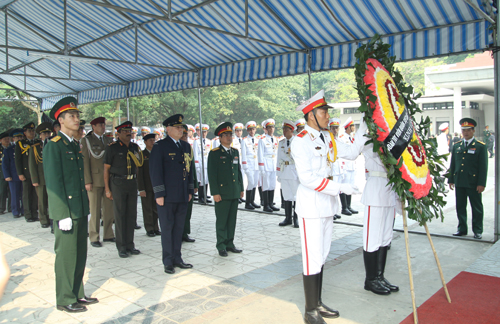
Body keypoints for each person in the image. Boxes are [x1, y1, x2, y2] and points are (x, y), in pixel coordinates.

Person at [291, 90, 361, 323]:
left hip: (326, 206)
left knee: (321, 256)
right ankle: (310, 310)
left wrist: (366, 129)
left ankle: (317, 303)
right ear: (311, 115)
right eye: (323, 111)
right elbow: (307, 179)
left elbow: (350, 152)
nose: (327, 114)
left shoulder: (326, 138)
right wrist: (340, 188)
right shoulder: (300, 141)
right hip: (311, 206)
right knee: (312, 257)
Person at [44, 96, 98, 313]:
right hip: (66, 211)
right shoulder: (54, 146)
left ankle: (77, 293)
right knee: (66, 256)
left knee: (79, 253)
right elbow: (54, 183)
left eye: (77, 115)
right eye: (72, 116)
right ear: (61, 120)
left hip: (79, 209)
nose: (77, 119)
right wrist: (61, 214)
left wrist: (84, 208)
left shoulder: (74, 144)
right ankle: (65, 298)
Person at [149, 114, 194, 274]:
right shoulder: (160, 146)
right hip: (167, 196)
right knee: (167, 228)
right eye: (177, 127)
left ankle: (177, 258)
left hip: (182, 195)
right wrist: (159, 194)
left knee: (178, 228)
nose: (181, 130)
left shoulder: (185, 146)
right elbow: (155, 171)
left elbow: (189, 170)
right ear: (168, 129)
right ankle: (168, 260)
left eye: (182, 127)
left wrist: (190, 190)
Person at [104, 121, 143, 258]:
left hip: (131, 182)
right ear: (118, 133)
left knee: (131, 214)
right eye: (125, 131)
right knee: (120, 215)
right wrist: (107, 189)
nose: (128, 133)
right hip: (118, 183)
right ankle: (121, 247)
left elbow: (138, 166)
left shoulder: (134, 147)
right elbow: (106, 169)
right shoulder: (112, 148)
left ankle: (130, 245)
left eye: (130, 131)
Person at [208, 122, 244, 257]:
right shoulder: (215, 153)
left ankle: (230, 243)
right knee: (222, 220)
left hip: (234, 191)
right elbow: (212, 175)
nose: (229, 137)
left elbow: (238, 171)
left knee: (232, 220)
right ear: (220, 137)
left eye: (231, 135)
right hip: (222, 193)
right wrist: (215, 193)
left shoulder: (235, 152)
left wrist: (241, 188)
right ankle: (221, 245)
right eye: (226, 135)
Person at [449, 118, 488, 239]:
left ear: (473, 131)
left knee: (476, 207)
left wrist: (481, 183)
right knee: (460, 206)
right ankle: (462, 229)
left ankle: (477, 230)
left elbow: (483, 167)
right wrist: (451, 179)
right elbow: (453, 164)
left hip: (473, 183)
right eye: (463, 130)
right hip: (460, 181)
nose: (465, 133)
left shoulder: (480, 147)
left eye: (468, 130)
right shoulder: (457, 146)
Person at [82, 117, 115, 248]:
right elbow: (85, 162)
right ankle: (94, 236)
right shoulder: (87, 141)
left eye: (103, 124)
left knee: (108, 210)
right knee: (95, 210)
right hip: (94, 180)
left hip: (108, 180)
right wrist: (87, 180)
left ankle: (108, 234)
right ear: (93, 127)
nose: (103, 127)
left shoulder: (108, 140)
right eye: (100, 125)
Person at [15, 122, 40, 222]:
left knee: (35, 195)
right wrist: (20, 173)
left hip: (36, 173)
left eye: (33, 131)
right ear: (25, 132)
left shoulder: (37, 142)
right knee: (27, 194)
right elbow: (18, 160)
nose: (32, 132)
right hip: (26, 173)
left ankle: (34, 213)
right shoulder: (20, 143)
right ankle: (28, 215)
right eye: (30, 131)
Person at [29, 122, 52, 229]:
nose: (47, 135)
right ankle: (43, 219)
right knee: (42, 200)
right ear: (40, 135)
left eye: (48, 132)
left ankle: (52, 218)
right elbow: (32, 165)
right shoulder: (35, 147)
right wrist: (34, 179)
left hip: (51, 178)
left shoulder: (53, 144)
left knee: (52, 199)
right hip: (41, 178)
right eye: (44, 133)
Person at [137, 133, 161, 237]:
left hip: (156, 186)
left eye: (154, 140)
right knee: (147, 208)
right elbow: (139, 173)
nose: (153, 142)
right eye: (150, 140)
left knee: (156, 208)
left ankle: (156, 227)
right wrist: (141, 188)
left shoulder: (157, 153)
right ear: (145, 142)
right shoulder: (141, 155)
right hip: (146, 186)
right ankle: (149, 228)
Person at [277, 120, 299, 227]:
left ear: (291, 130)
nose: (284, 132)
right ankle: (288, 218)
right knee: (286, 195)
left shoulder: (297, 142)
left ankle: (296, 219)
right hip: (284, 171)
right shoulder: (281, 143)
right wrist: (278, 174)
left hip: (294, 172)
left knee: (296, 196)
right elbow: (278, 158)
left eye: (286, 130)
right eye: (283, 130)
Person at [258, 119, 280, 212]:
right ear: (266, 129)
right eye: (269, 127)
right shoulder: (262, 140)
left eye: (272, 127)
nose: (271, 129)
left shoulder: (275, 139)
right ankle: (266, 205)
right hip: (266, 165)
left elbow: (277, 153)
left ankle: (271, 203)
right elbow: (260, 154)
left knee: (272, 185)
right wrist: (261, 168)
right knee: (266, 185)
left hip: (273, 164)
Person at [180, 127, 197, 243]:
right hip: (177, 185)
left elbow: (192, 168)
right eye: (183, 135)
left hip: (187, 185)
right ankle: (178, 234)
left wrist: (194, 184)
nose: (185, 138)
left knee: (188, 209)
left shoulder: (188, 148)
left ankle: (185, 232)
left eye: (186, 135)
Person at [338, 117, 358, 216]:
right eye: (352, 126)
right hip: (345, 166)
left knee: (350, 186)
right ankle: (344, 207)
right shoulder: (342, 138)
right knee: (344, 187)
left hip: (351, 166)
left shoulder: (351, 138)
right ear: (348, 127)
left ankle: (349, 206)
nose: (354, 127)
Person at [3, 129, 24, 218]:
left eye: (20, 137)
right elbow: (5, 164)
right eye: (17, 137)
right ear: (13, 139)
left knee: (24, 194)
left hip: (24, 175)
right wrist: (7, 175)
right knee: (14, 194)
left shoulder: (25, 147)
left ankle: (24, 210)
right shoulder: (9, 150)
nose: (19, 139)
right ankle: (15, 211)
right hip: (13, 175)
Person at [241, 121, 260, 210]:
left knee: (255, 183)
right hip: (249, 164)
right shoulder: (244, 140)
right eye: (250, 129)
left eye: (253, 129)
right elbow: (243, 154)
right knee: (251, 182)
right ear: (247, 130)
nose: (252, 131)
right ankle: (247, 203)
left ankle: (252, 201)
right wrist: (245, 166)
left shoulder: (257, 140)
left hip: (256, 164)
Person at [193, 124, 212, 204]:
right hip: (200, 162)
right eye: (202, 132)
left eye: (205, 132)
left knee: (206, 180)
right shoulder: (196, 141)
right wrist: (196, 164)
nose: (204, 133)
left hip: (207, 162)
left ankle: (204, 196)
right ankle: (200, 197)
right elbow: (195, 153)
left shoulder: (209, 141)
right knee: (201, 180)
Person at [329, 118, 342, 220]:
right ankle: (330, 212)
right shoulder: (328, 140)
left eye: (336, 128)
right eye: (333, 128)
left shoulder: (339, 140)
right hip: (330, 168)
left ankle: (335, 211)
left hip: (337, 168)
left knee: (336, 191)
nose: (335, 130)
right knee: (330, 192)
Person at [232, 123, 246, 204]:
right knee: (236, 180)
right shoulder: (233, 140)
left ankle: (240, 195)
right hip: (236, 161)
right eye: (237, 131)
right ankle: (236, 196)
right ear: (235, 132)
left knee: (241, 179)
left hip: (242, 161)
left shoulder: (243, 140)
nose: (239, 132)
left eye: (240, 131)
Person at [0, 132, 11, 215]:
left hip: (11, 172)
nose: (7, 141)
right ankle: (1, 208)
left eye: (8, 139)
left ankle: (11, 207)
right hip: (1, 173)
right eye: (5, 139)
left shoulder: (11, 148)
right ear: (1, 140)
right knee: (2, 191)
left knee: (11, 191)